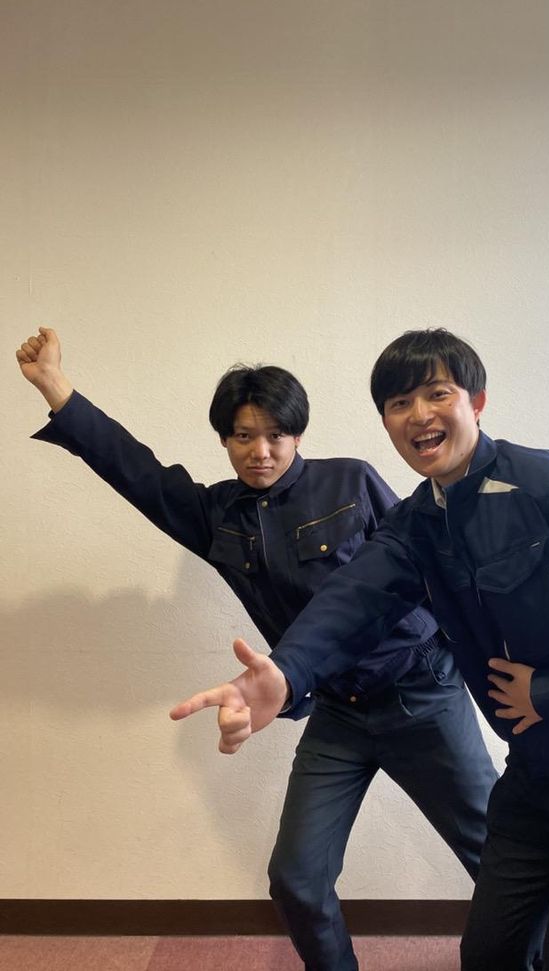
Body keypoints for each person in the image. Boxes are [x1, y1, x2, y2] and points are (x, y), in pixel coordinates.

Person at [171, 327, 549, 971]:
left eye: (437, 394)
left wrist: (548, 692)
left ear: (476, 401)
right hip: (538, 770)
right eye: (399, 404)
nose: (419, 415)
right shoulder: (418, 522)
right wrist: (284, 674)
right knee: (490, 952)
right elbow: (353, 597)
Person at [16, 326, 498, 971]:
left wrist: (477, 662)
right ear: (225, 440)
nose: (261, 452)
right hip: (338, 714)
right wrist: (55, 387)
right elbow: (134, 470)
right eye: (243, 436)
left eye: (275, 435)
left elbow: (431, 572)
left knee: (501, 856)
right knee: (296, 880)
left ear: (298, 435)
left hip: (421, 695)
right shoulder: (218, 515)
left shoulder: (351, 482)